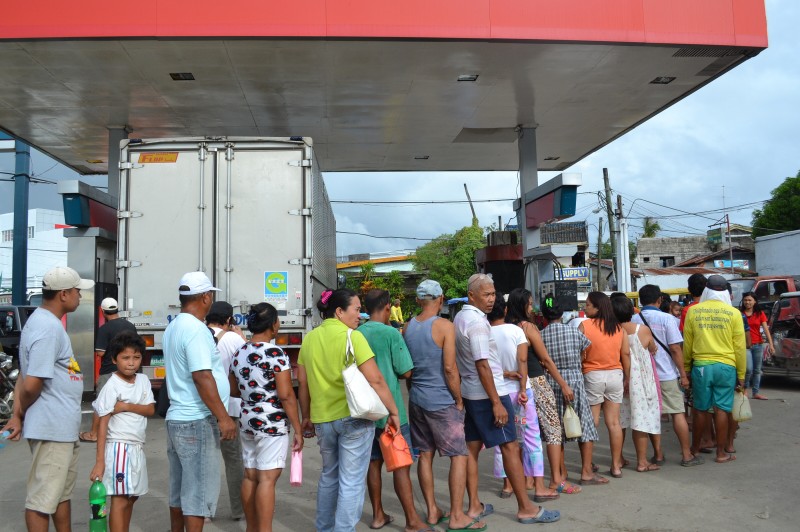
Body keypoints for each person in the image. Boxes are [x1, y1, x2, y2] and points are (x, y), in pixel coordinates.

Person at [454, 273, 559, 525]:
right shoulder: (478, 324)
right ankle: (525, 508)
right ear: (472, 295)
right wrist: (496, 402)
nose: (491, 299)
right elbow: (481, 364)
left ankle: (473, 506)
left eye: (493, 294)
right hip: (488, 394)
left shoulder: (461, 317)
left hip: (472, 392)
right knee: (510, 446)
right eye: (486, 295)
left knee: (471, 449)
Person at [297, 288, 400, 532]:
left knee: (329, 476)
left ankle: (324, 528)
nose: (359, 314)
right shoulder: (352, 337)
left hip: (323, 420)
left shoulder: (309, 339)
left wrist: (307, 416)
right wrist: (393, 411)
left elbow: (303, 383)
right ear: (339, 311)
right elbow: (375, 379)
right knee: (351, 482)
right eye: (355, 309)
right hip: (353, 419)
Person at [1, 266, 94, 532]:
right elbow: (31, 384)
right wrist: (19, 415)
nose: (80, 295)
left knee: (60, 495)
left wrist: (18, 413)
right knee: (42, 500)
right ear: (64, 294)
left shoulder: (45, 322)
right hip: (51, 428)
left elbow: (24, 376)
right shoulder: (47, 328)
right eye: (77, 291)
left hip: (61, 428)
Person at [404, 280, 481, 531]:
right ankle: (458, 516)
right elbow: (450, 368)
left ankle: (433, 510)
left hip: (416, 399)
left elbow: (408, 370)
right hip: (441, 401)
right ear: (440, 299)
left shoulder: (408, 327)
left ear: (418, 300)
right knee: (459, 455)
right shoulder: (445, 326)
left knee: (424, 455)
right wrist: (458, 399)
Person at [163, 271, 237, 531]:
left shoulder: (174, 326)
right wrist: (224, 417)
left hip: (177, 419)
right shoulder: (195, 329)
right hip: (196, 420)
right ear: (205, 297)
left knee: (179, 492)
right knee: (197, 496)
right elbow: (202, 376)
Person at [357, 289, 428, 532]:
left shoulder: (356, 333)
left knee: (373, 464)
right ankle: (412, 520)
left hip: (364, 412)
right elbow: (406, 371)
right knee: (400, 465)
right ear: (387, 307)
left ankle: (377, 515)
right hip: (391, 411)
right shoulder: (390, 333)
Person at [229, 303, 304, 531]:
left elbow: (233, 390)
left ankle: (252, 528)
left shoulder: (239, 352)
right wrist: (298, 428)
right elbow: (286, 395)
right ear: (273, 325)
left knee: (250, 476)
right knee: (267, 479)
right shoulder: (276, 353)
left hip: (247, 419)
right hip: (271, 423)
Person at [504, 288, 572, 496]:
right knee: (552, 429)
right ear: (523, 305)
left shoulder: (505, 327)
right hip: (536, 381)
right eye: (530, 303)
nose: (532, 307)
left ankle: (527, 480)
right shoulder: (528, 327)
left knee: (523, 433)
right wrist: (563, 384)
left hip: (514, 385)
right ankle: (556, 480)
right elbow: (545, 360)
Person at [487, 295, 555, 504]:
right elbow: (523, 359)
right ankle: (539, 486)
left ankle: (507, 485)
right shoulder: (516, 331)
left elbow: (484, 365)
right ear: (506, 310)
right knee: (531, 437)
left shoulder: (484, 333)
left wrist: (505, 374)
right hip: (520, 392)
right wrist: (524, 385)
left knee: (503, 440)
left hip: (497, 394)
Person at [89, 331, 156, 532]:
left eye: (136, 358)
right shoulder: (112, 385)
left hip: (136, 446)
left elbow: (151, 409)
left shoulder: (143, 380)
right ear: (114, 359)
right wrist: (100, 462)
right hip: (119, 447)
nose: (131, 363)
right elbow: (102, 423)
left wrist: (126, 406)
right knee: (119, 498)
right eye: (125, 358)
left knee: (132, 495)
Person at [632, 285, 703, 468]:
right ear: (660, 300)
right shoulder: (667, 319)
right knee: (677, 413)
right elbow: (675, 348)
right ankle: (687, 455)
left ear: (640, 300)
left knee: (651, 415)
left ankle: (658, 454)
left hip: (643, 376)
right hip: (667, 374)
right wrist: (683, 374)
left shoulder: (632, 320)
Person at [684, 275, 747, 464]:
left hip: (701, 366)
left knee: (700, 410)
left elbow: (688, 344)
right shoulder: (734, 313)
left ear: (706, 291)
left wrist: (686, 368)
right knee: (722, 410)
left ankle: (695, 449)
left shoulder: (693, 312)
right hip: (727, 367)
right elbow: (740, 348)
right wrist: (742, 375)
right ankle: (721, 453)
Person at [540, 303, 595, 492]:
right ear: (561, 314)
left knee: (556, 429)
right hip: (574, 379)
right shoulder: (574, 332)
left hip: (551, 380)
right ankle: (586, 471)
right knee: (584, 424)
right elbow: (585, 351)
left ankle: (561, 472)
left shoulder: (541, 335)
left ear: (544, 315)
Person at [578, 291, 630, 481]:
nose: (585, 308)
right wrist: (627, 377)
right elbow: (625, 355)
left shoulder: (585, 326)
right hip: (615, 375)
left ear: (597, 307)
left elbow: (579, 352)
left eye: (588, 305)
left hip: (593, 375)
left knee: (592, 422)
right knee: (614, 423)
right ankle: (616, 466)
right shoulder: (618, 328)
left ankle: (587, 466)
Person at [610, 294, 663, 472]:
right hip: (641, 381)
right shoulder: (642, 329)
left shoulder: (611, 331)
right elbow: (653, 348)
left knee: (619, 422)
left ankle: (618, 460)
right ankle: (642, 462)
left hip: (619, 379)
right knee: (641, 420)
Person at [205, 300, 246, 521]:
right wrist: (243, 339)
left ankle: (205, 511)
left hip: (203, 406)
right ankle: (239, 510)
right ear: (229, 320)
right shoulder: (233, 339)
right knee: (233, 460)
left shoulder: (199, 335)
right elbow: (248, 363)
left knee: (206, 460)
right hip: (229, 409)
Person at [80, 297, 138, 443]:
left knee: (101, 402)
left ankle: (94, 434)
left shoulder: (105, 329)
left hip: (109, 370)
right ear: (117, 308)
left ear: (103, 311)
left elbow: (100, 352)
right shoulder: (130, 326)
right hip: (128, 370)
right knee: (124, 400)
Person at [740, 292, 774, 400]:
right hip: (745, 346)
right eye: (745, 300)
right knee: (748, 369)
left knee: (757, 370)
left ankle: (756, 392)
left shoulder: (760, 313)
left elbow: (766, 330)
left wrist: (771, 345)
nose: (747, 302)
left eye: (750, 300)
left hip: (758, 345)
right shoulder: (739, 314)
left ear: (755, 301)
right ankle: (744, 390)